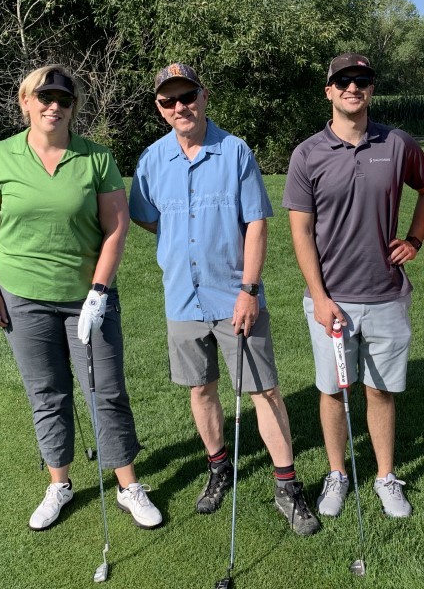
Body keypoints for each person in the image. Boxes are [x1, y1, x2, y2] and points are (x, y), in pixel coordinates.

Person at [128, 63, 321, 536]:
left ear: (204, 96)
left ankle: (287, 486)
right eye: (169, 101)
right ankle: (219, 467)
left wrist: (249, 289)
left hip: (235, 296)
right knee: (201, 389)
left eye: (187, 96)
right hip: (182, 298)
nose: (180, 107)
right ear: (159, 108)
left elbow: (256, 222)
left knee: (264, 390)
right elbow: (146, 215)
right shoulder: (152, 160)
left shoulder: (235, 151)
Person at [0, 65, 162, 532]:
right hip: (23, 297)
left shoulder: (96, 158)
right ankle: (60, 483)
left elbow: (116, 228)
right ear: (25, 101)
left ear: (74, 107)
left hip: (88, 298)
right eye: (44, 97)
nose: (53, 106)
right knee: (47, 392)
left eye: (64, 99)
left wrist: (99, 291)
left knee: (106, 391)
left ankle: (127, 485)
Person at [283, 53, 424, 519]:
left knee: (380, 390)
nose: (353, 87)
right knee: (333, 391)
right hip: (331, 300)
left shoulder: (397, 143)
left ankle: (385, 475)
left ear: (371, 89)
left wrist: (415, 239)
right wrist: (319, 296)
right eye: (344, 80)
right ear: (329, 91)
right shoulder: (307, 153)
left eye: (362, 80)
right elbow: (300, 231)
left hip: (386, 293)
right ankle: (338, 473)